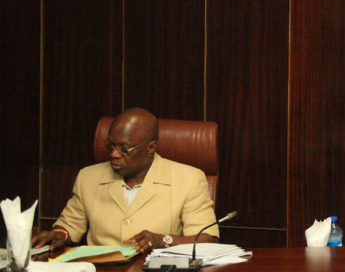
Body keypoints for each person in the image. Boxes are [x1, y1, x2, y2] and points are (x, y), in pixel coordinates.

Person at [32, 107, 219, 253]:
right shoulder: (88, 177)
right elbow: (68, 228)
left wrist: (163, 240)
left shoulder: (188, 179)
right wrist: (59, 235)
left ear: (150, 147)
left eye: (125, 148)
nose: (114, 154)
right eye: (111, 145)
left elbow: (207, 239)